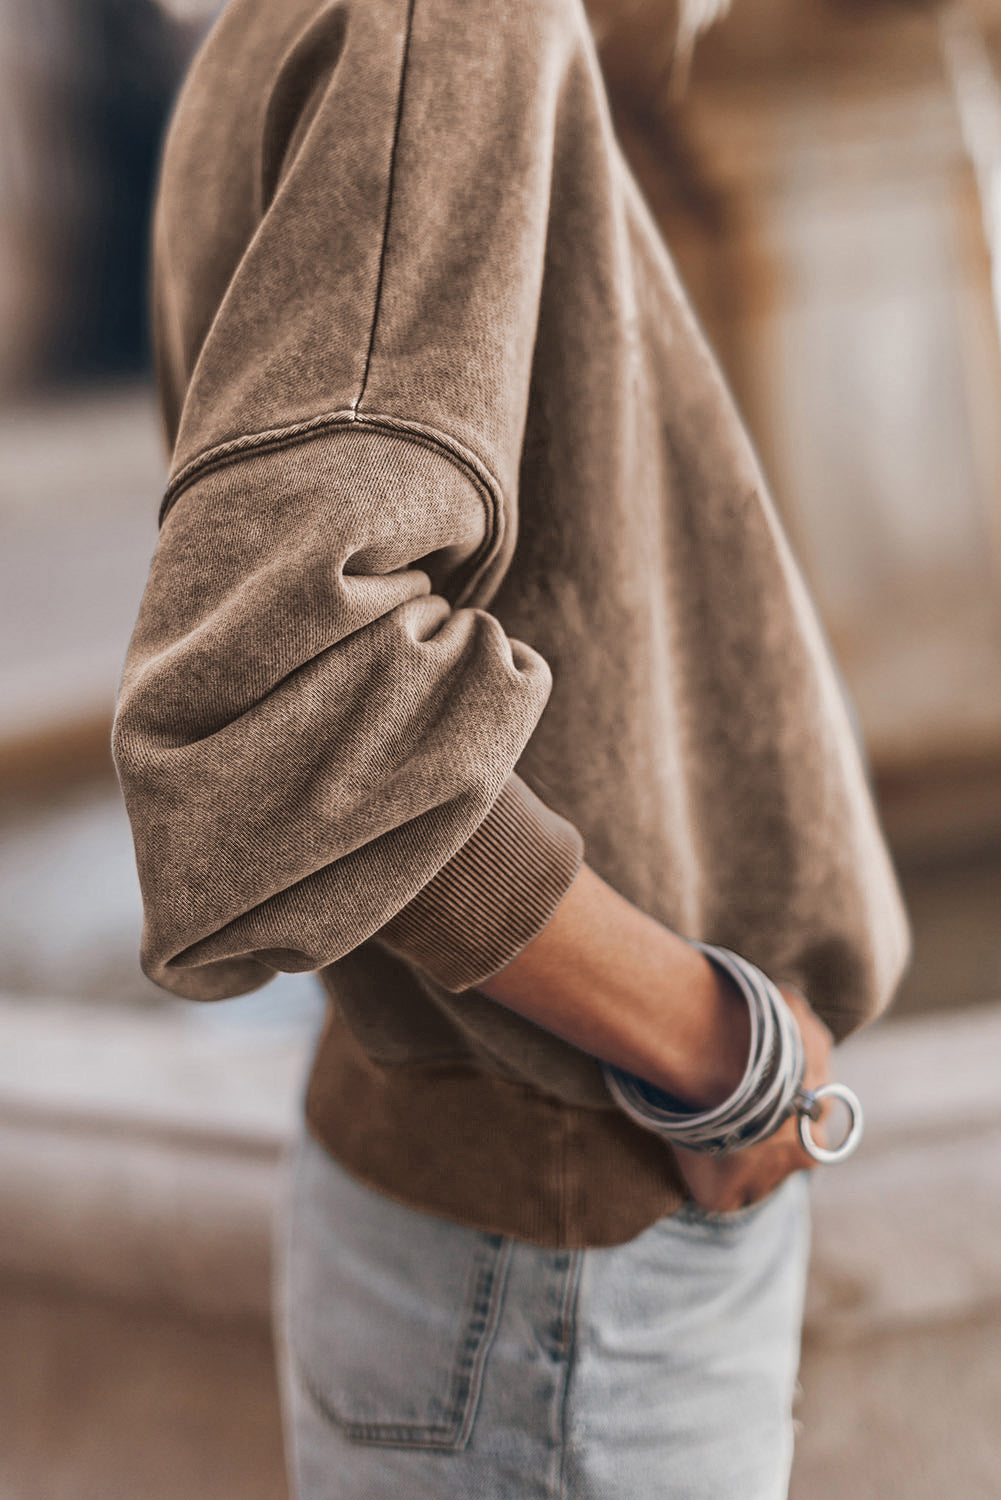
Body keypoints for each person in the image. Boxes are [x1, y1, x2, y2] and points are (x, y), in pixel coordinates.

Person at [113, 0, 911, 1495]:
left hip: (502, 1230)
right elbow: (287, 683)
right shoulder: (448, 20)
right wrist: (715, 1051)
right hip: (572, 1231)